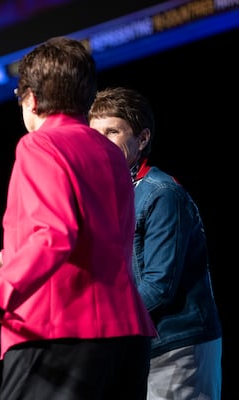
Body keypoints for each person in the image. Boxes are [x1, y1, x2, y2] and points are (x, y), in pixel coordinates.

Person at [0, 36, 157, 400]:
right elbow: (93, 242)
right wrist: (5, 261)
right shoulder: (111, 153)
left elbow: (55, 234)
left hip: (58, 333)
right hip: (125, 335)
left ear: (31, 99)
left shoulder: (39, 144)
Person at [88, 86, 223, 400]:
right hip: (140, 346)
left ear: (143, 138)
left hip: (177, 346)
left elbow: (159, 285)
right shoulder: (111, 194)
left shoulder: (161, 192)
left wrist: (98, 318)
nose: (101, 143)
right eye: (95, 134)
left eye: (112, 132)